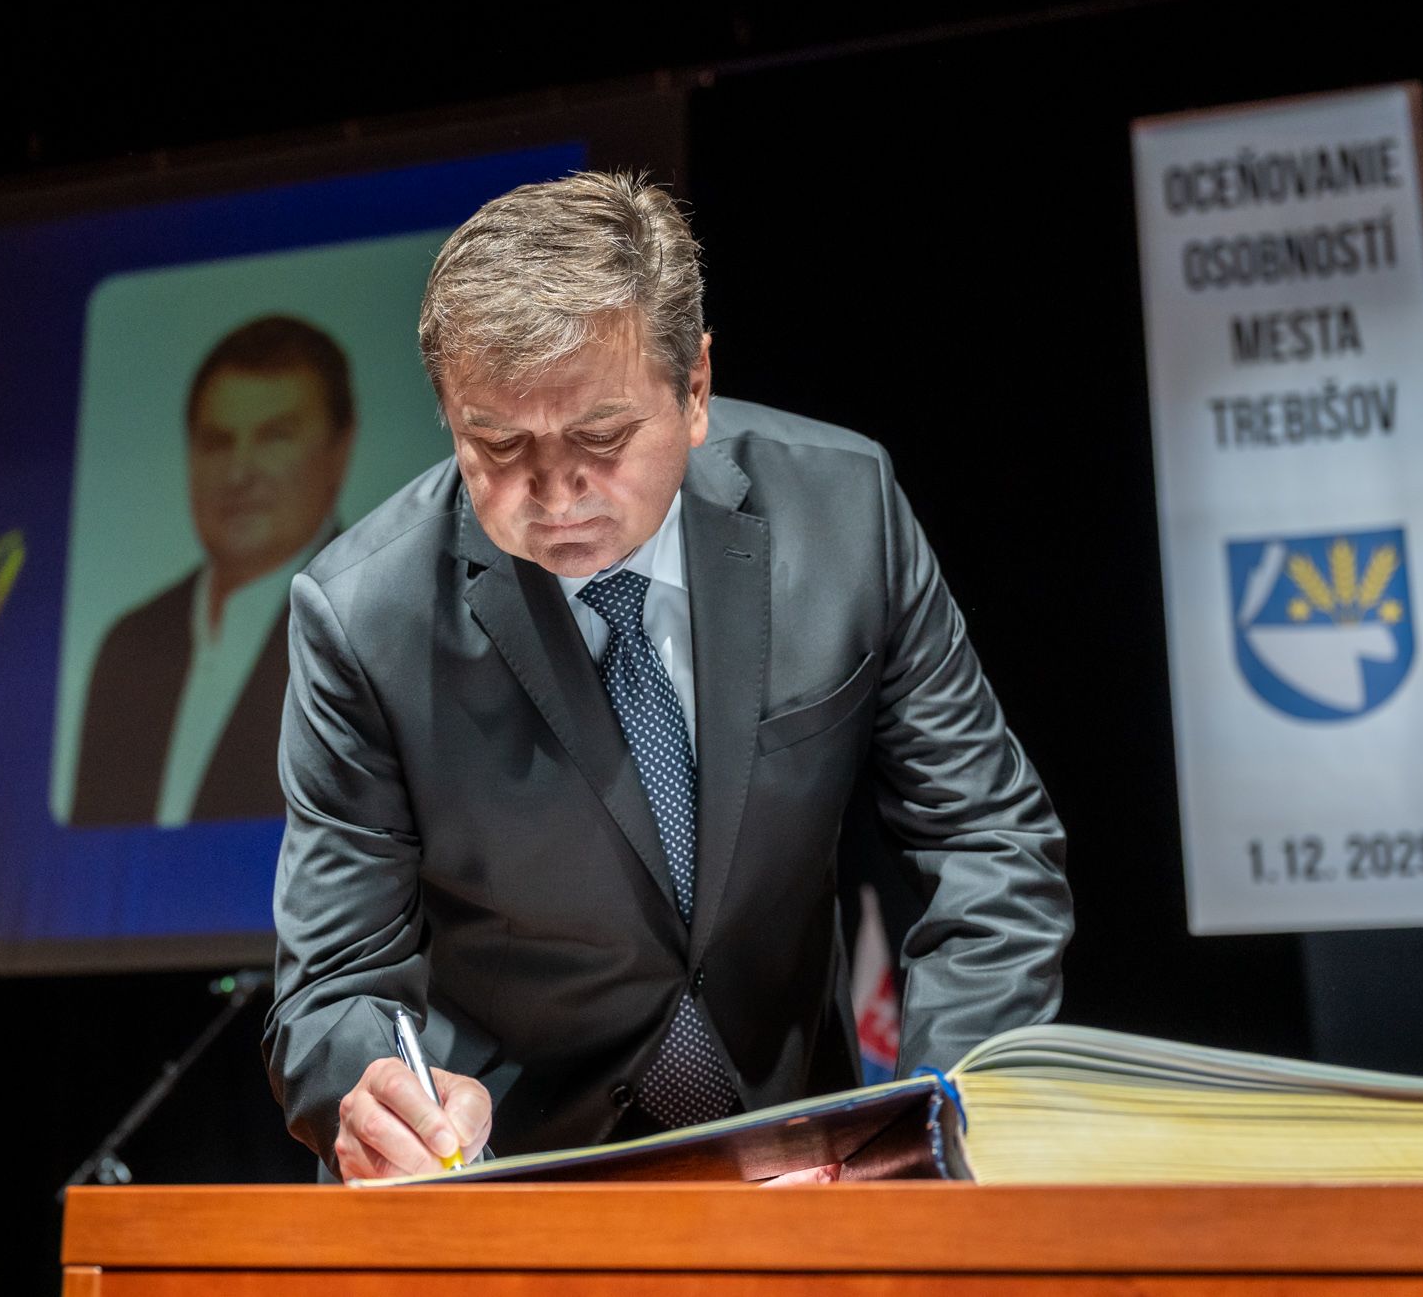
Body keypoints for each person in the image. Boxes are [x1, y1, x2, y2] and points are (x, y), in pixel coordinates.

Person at [262, 172, 1073, 1181]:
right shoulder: (363, 614)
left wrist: (925, 1136)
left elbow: (988, 843)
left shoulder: (843, 513)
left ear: (693, 389)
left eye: (601, 438)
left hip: (809, 1154)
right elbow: (333, 986)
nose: (554, 492)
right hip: (508, 1178)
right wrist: (386, 1094)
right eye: (497, 444)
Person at [69, 314, 356, 826]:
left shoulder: (369, 624)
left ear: (340, 450)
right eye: (218, 441)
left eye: (274, 437)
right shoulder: (131, 646)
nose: (239, 472)